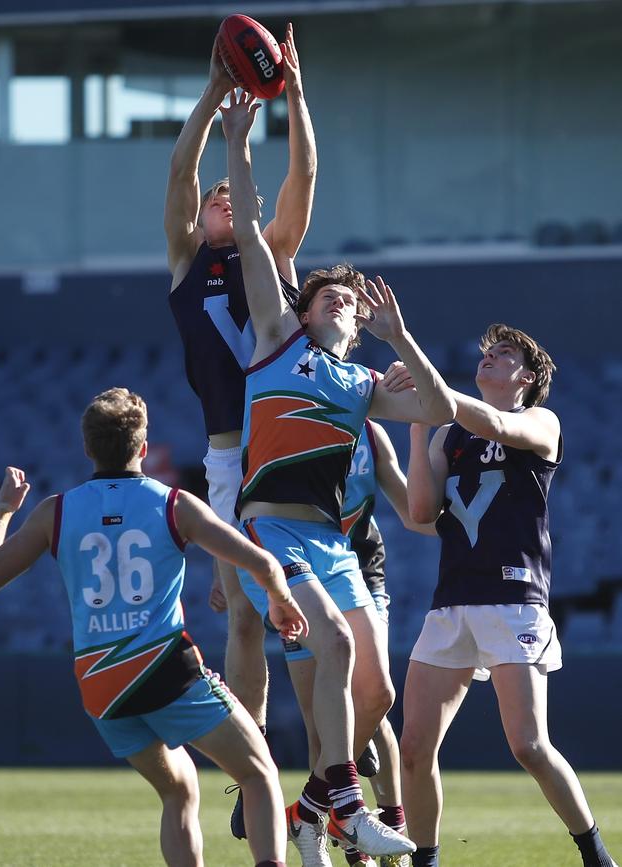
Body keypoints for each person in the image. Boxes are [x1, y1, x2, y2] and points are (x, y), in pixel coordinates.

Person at [221, 88, 456, 865]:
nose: (344, 302)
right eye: (332, 294)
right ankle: (347, 803)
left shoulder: (360, 388)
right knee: (331, 645)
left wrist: (403, 335)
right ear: (306, 306)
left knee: (375, 691)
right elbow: (253, 229)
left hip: (333, 542)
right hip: (269, 525)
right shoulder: (278, 338)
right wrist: (238, 140)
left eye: (352, 301)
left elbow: (436, 402)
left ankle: (315, 804)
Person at [0, 387, 309, 867]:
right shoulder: (173, 504)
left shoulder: (55, 511)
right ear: (144, 449)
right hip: (165, 670)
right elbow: (262, 563)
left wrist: (4, 509)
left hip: (100, 686)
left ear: (87, 448)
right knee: (258, 773)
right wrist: (281, 601)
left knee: (179, 790)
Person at [163, 25, 316, 835]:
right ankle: (255, 765)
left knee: (318, 612)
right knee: (246, 616)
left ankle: (333, 767)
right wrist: (213, 95)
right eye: (218, 199)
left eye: (233, 195)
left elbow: (299, 181)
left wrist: (291, 101)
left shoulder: (275, 254)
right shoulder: (188, 261)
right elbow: (184, 171)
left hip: (291, 444)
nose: (223, 199)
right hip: (230, 456)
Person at [400, 324, 619, 867]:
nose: (490, 358)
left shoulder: (541, 421)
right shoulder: (447, 434)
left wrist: (422, 374)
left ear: (527, 376)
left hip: (513, 599)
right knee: (414, 749)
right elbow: (421, 514)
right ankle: (426, 859)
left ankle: (594, 853)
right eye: (488, 352)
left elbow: (495, 422)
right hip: (451, 602)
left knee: (528, 746)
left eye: (505, 354)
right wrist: (417, 425)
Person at [288, 419, 436, 867]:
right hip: (301, 571)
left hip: (360, 573)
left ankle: (369, 820)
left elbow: (413, 511)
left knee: (373, 702)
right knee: (322, 724)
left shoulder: (369, 433)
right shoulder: (287, 418)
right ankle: (345, 838)